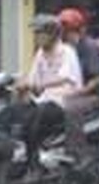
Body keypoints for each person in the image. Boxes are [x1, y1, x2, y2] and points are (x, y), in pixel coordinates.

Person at [17, 14, 84, 174]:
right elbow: (33, 78)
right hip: (45, 100)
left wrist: (40, 85)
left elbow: (65, 77)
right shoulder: (40, 53)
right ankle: (22, 157)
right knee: (17, 115)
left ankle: (34, 162)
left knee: (37, 118)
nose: (37, 37)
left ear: (53, 34)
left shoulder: (67, 52)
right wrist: (21, 86)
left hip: (63, 101)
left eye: (41, 33)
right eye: (36, 33)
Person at [58, 8, 99, 165]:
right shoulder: (67, 49)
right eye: (64, 32)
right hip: (80, 93)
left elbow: (98, 79)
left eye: (68, 31)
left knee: (70, 108)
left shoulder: (89, 47)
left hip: (96, 97)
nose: (65, 35)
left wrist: (75, 93)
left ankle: (77, 154)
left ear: (80, 30)